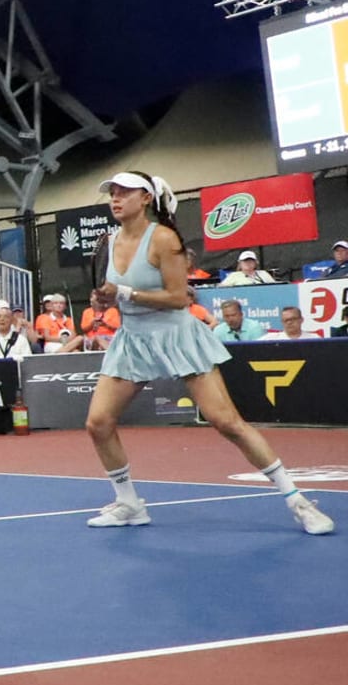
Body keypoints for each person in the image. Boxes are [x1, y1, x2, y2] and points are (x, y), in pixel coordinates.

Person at [82, 173, 331, 535]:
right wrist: (103, 298)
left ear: (146, 198)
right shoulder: (110, 240)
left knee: (226, 422)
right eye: (112, 193)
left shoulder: (164, 240)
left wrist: (123, 294)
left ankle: (298, 501)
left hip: (177, 336)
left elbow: (178, 298)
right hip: (132, 339)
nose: (115, 198)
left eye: (124, 192)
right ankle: (129, 503)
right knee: (98, 423)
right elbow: (115, 292)